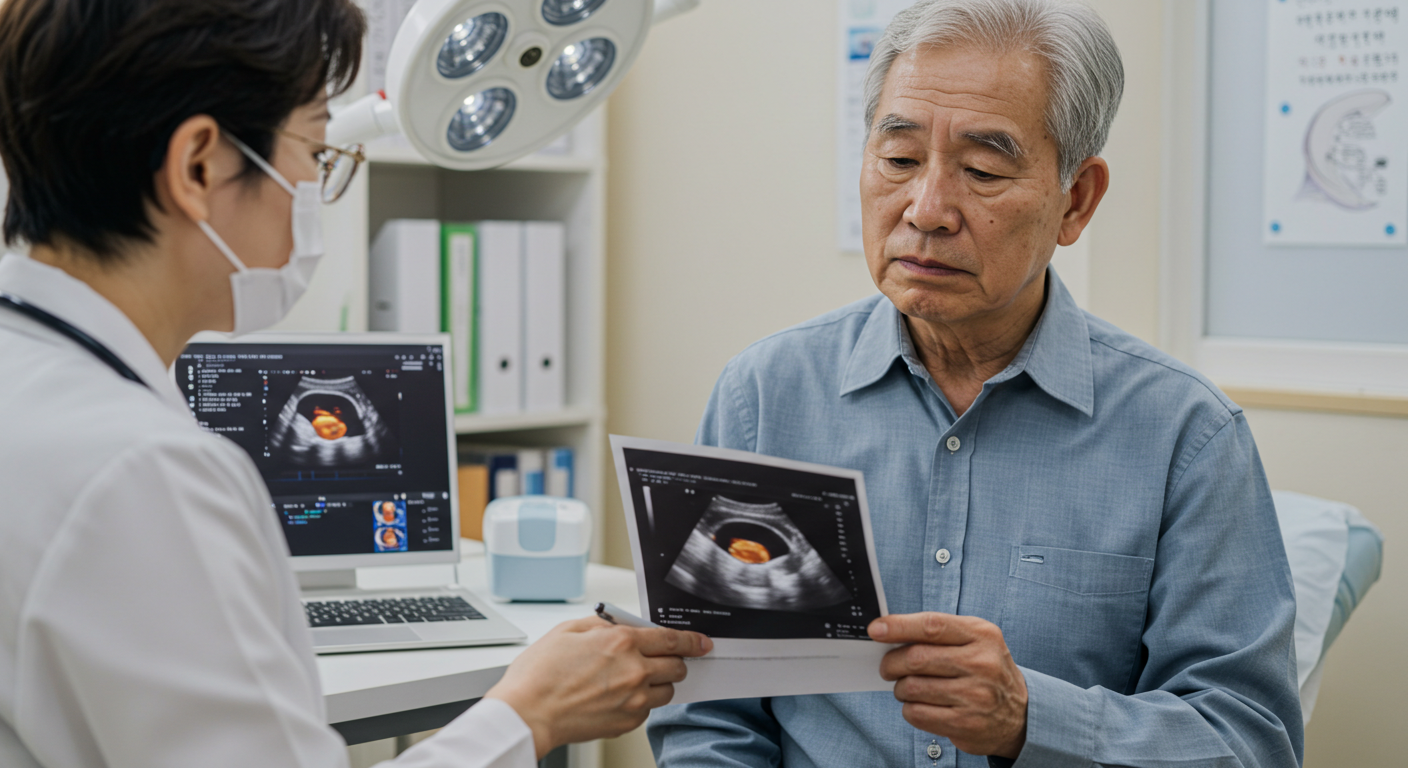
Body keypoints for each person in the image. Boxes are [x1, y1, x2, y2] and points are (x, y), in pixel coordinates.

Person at [0, 2, 710, 767]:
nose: (316, 185)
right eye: (313, 150)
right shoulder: (146, 473)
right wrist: (525, 714)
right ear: (199, 166)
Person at [649, 1, 1302, 766]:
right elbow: (711, 719)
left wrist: (1033, 719)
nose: (925, 211)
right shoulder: (762, 398)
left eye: (983, 170)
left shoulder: (1185, 436)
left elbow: (1251, 741)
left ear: (1077, 200)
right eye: (897, 160)